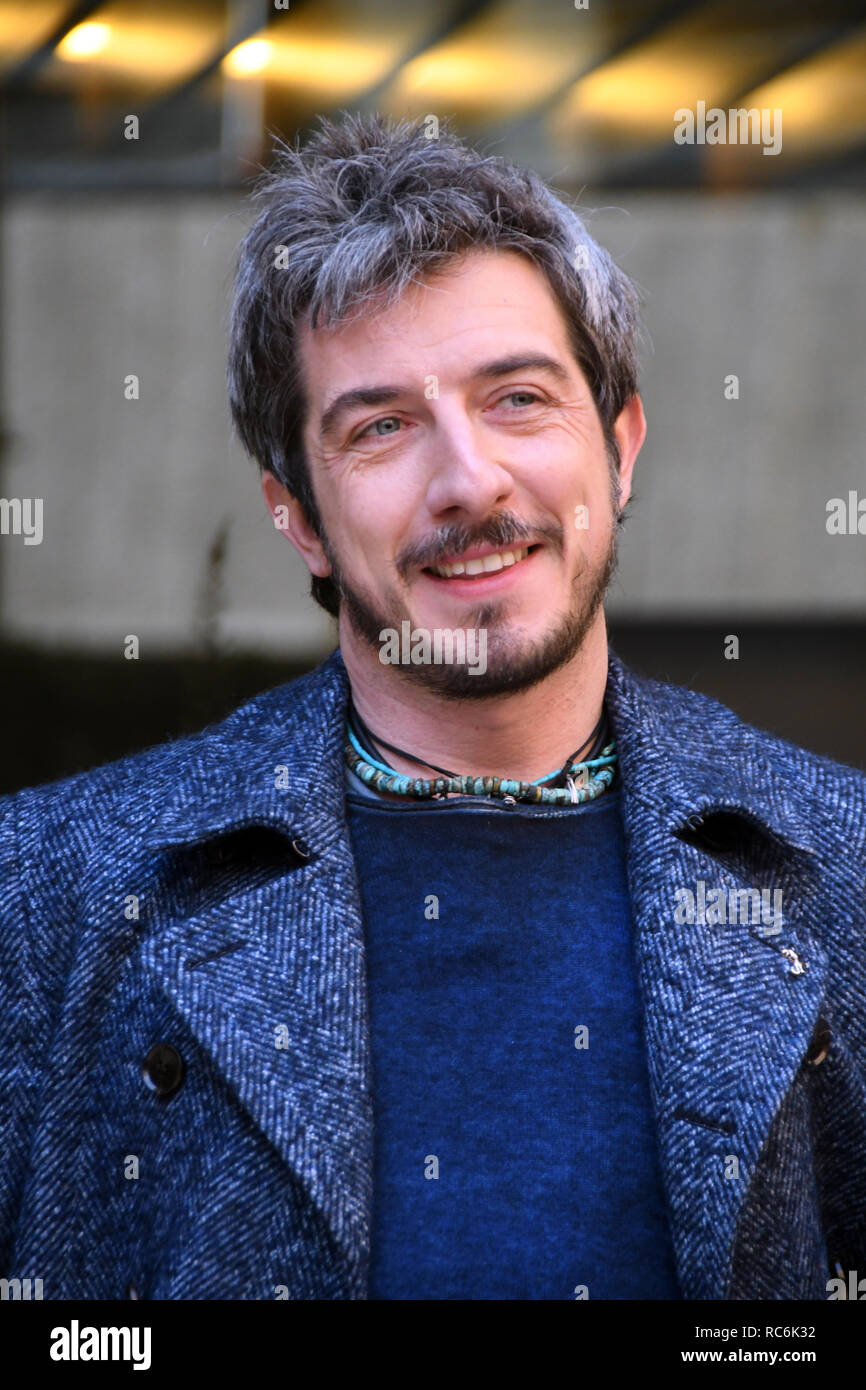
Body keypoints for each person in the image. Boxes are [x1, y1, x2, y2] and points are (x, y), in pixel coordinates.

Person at [1, 113, 863, 1302]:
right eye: (381, 426)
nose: (468, 480)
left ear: (618, 446)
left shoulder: (840, 870)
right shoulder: (50, 894)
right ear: (296, 512)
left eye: (517, 398)